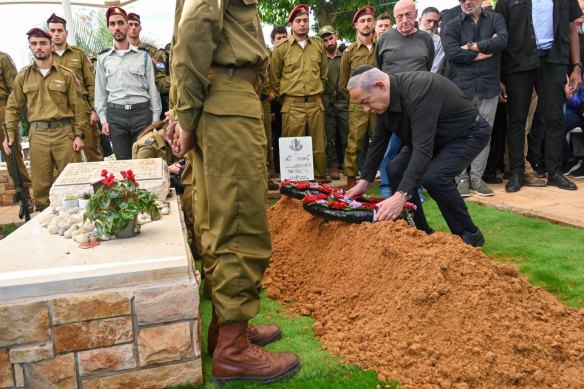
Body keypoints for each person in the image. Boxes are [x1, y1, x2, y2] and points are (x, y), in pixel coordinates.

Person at [171, 0, 300, 385]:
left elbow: (189, 35)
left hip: (220, 99)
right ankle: (233, 351)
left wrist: (187, 113)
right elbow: (192, 32)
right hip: (227, 101)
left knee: (217, 220)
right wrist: (186, 116)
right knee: (241, 224)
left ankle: (226, 329)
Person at [345, 65, 490, 248]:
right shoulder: (383, 103)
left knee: (435, 178)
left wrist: (401, 196)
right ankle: (419, 231)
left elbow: (423, 149)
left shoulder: (420, 89)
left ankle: (469, 234)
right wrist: (364, 181)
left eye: (366, 101)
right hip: (432, 138)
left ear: (380, 86)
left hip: (467, 134)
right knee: (395, 169)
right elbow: (378, 142)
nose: (366, 109)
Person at [495, 0, 582, 192]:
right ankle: (517, 172)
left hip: (554, 61)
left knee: (555, 118)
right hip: (518, 63)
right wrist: (499, 76)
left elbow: (572, 30)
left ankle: (554, 173)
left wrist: (576, 67)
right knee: (517, 119)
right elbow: (501, 37)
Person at [3, 28, 84, 211]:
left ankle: (76, 218)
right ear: (30, 47)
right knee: (41, 186)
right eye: (34, 44)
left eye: (42, 43)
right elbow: (13, 107)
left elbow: (78, 107)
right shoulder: (24, 76)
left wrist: (79, 135)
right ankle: (43, 223)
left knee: (72, 180)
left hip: (64, 133)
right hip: (38, 135)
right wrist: (10, 134)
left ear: (51, 45)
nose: (38, 47)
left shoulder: (66, 74)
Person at [442, 0, 508, 197]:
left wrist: (470, 47)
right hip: (461, 87)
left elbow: (502, 41)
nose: (466, 2)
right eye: (461, 0)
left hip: (488, 85)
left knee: (484, 134)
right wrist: (481, 52)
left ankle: (477, 179)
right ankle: (461, 179)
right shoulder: (452, 23)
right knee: (460, 134)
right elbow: (451, 52)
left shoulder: (496, 18)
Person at [270, 4, 329, 182]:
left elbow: (324, 75)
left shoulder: (318, 45)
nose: (302, 24)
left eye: (305, 20)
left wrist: (314, 93)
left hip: (315, 103)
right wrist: (288, 99)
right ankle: (294, 189)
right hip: (292, 105)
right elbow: (274, 78)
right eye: (298, 21)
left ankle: (319, 186)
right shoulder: (281, 49)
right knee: (293, 148)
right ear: (291, 24)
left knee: (318, 147)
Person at [95, 6, 161, 160]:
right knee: (123, 164)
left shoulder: (143, 55)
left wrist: (156, 118)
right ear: (108, 28)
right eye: (112, 24)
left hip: (142, 115)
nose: (117, 27)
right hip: (116, 117)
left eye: (120, 22)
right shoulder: (103, 57)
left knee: (145, 160)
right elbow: (100, 92)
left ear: (127, 24)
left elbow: (152, 87)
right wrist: (103, 119)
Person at [47, 13, 103, 162]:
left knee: (93, 154)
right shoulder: (45, 58)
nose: (56, 34)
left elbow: (92, 84)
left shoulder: (78, 54)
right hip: (58, 114)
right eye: (52, 31)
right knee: (65, 158)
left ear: (66, 32)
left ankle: (102, 185)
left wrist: (94, 110)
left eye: (59, 30)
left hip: (83, 111)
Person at [340, 6, 377, 189]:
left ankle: (382, 177)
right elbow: (343, 83)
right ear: (356, 25)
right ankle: (351, 179)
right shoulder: (349, 52)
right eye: (362, 21)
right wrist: (357, 100)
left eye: (369, 20)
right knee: (354, 143)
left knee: (380, 140)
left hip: (380, 104)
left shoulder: (382, 46)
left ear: (374, 22)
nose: (366, 24)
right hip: (357, 105)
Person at [0, 50, 33, 211]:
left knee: (11, 154)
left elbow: (14, 91)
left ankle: (24, 195)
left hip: (2, 112)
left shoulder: (3, 59)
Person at [127, 12, 169, 118]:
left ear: (140, 28)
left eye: (136, 25)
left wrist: (154, 65)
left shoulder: (152, 50)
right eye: (130, 24)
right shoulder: (119, 51)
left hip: (148, 101)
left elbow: (161, 70)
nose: (133, 28)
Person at [320, 25, 348, 181]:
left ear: (336, 36)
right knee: (328, 136)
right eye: (325, 40)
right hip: (327, 101)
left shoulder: (345, 55)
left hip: (343, 101)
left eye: (330, 38)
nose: (329, 42)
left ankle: (349, 166)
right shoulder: (320, 58)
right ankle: (333, 166)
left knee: (347, 135)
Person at [269, 26, 289, 177]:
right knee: (276, 135)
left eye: (284, 37)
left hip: (289, 99)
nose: (282, 41)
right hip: (273, 101)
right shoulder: (268, 56)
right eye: (279, 38)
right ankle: (278, 169)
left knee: (288, 134)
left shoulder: (290, 53)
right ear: (273, 41)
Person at [419, 7, 445, 74]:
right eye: (429, 21)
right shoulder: (409, 36)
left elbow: (435, 68)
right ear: (420, 20)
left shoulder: (439, 42)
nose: (432, 25)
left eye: (435, 22)